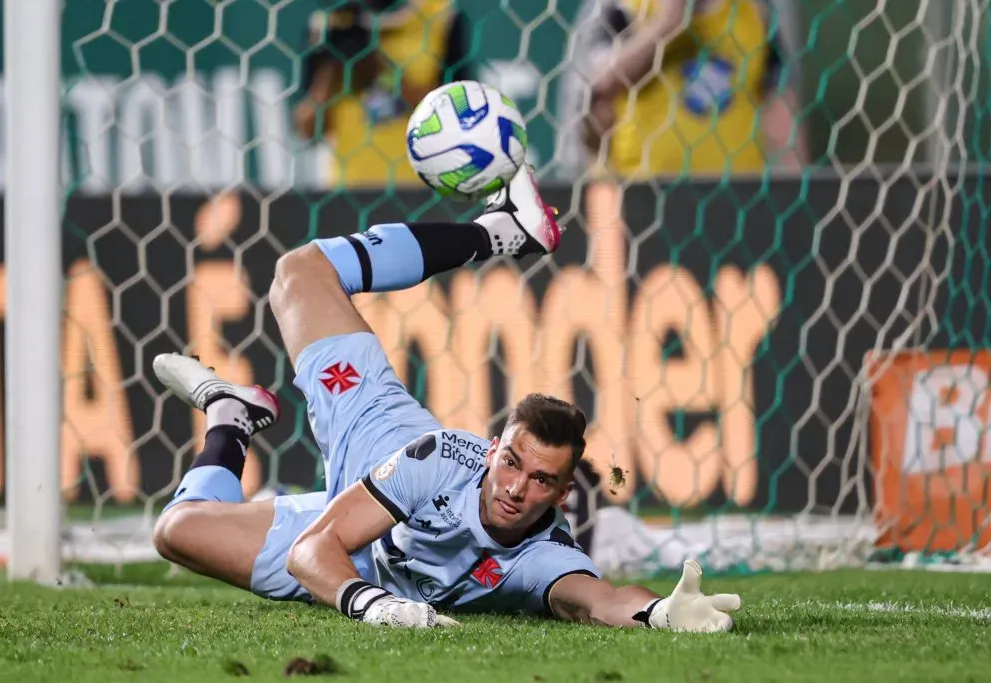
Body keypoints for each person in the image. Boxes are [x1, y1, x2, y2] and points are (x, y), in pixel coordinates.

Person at [151, 165, 742, 632]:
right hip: (372, 433)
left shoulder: (542, 555)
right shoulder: (439, 459)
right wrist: (372, 606)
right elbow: (312, 553)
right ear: (491, 451)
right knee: (301, 271)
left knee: (175, 531)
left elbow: (599, 600)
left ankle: (230, 417)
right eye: (511, 462)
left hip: (354, 544)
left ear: (563, 496)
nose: (515, 488)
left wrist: (660, 613)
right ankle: (501, 232)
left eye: (540, 481)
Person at [577, 0, 776, 178]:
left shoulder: (754, 11)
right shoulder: (623, 8)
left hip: (739, 193)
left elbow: (781, 108)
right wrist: (668, 23)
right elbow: (601, 85)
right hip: (644, 191)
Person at [293, 0, 473, 188]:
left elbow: (456, 116)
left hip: (423, 188)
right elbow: (307, 129)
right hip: (347, 190)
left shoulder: (442, 16)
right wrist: (331, 65)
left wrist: (378, 70)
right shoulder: (331, 22)